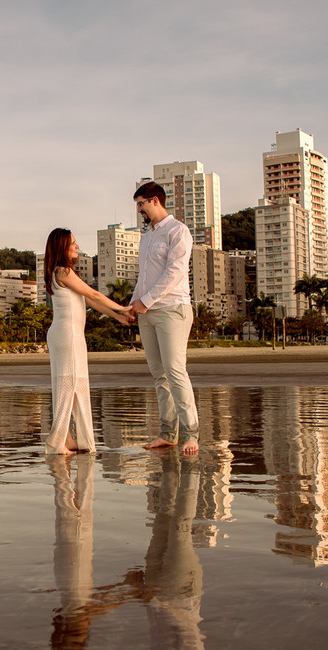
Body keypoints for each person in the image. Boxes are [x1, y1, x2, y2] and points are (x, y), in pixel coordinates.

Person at [44, 228, 133, 454]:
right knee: (70, 386)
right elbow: (94, 295)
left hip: (68, 335)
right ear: (61, 247)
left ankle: (67, 438)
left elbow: (90, 302)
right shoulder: (63, 271)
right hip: (68, 335)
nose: (77, 246)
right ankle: (58, 439)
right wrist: (123, 306)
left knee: (71, 387)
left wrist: (118, 317)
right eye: (73, 243)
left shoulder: (64, 273)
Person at [130, 182, 200, 455]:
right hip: (147, 313)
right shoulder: (146, 237)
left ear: (155, 200)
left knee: (175, 370)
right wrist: (133, 307)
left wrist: (145, 302)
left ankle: (191, 434)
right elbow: (143, 278)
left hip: (173, 309)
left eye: (141, 204)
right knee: (159, 375)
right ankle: (167, 434)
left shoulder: (178, 231)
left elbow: (175, 273)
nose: (139, 211)